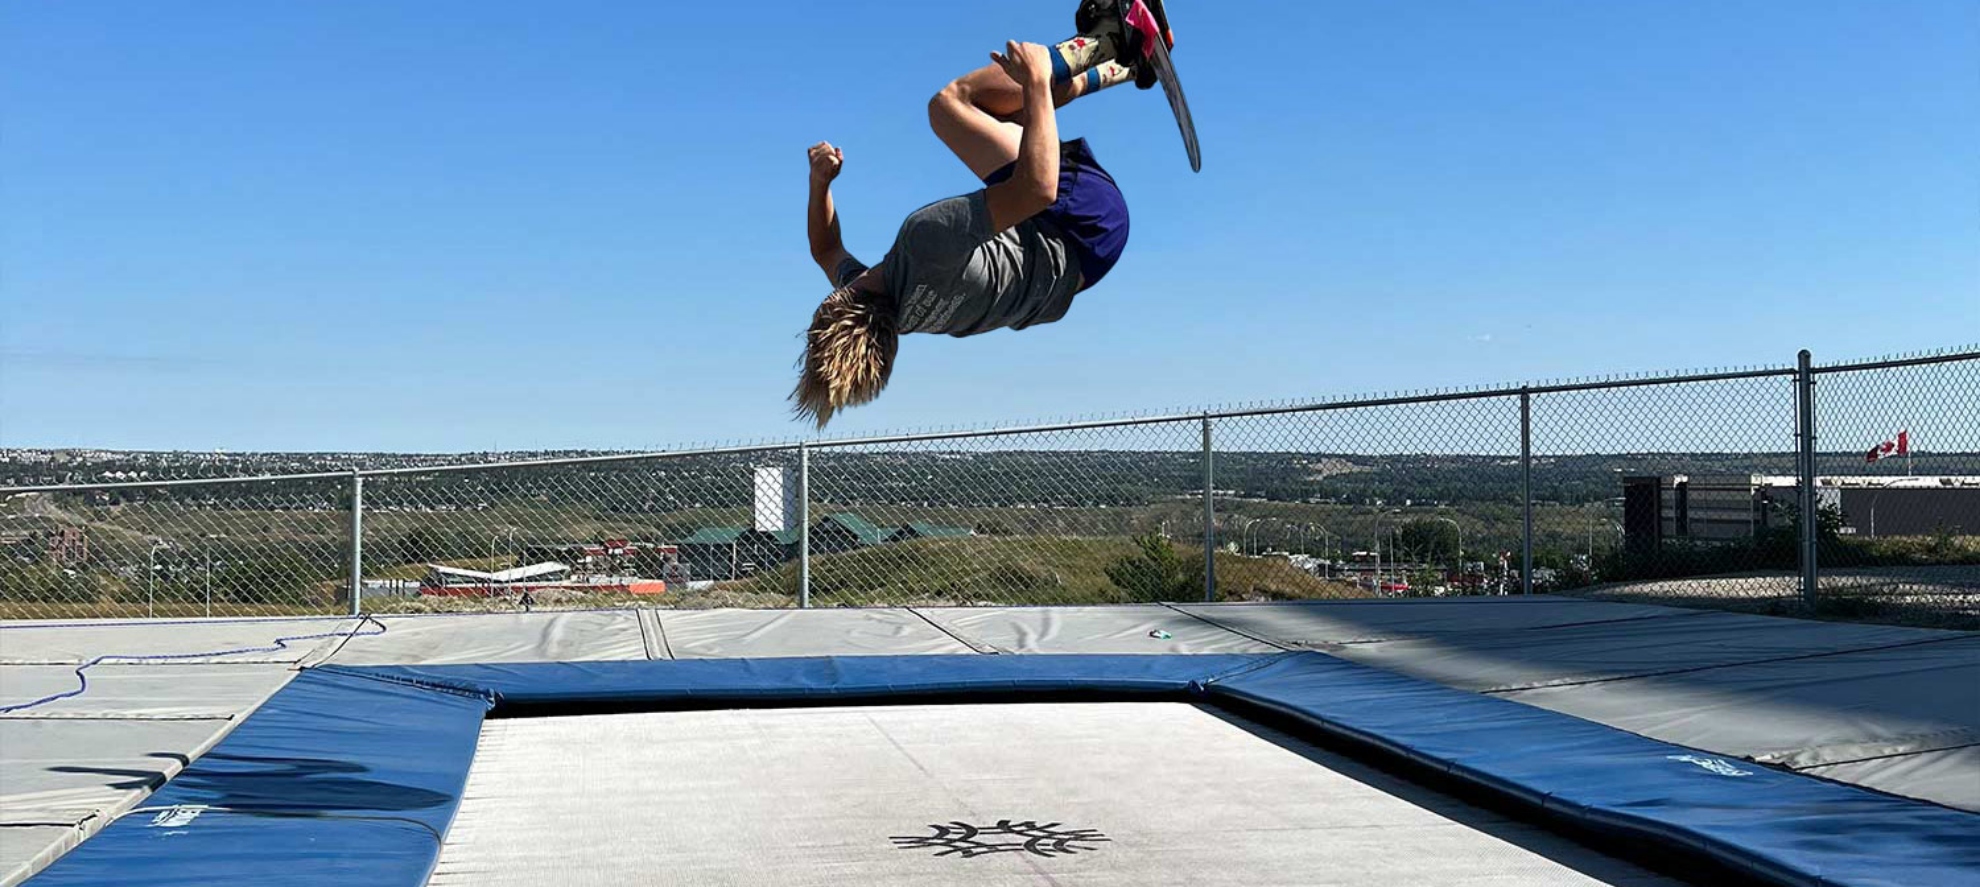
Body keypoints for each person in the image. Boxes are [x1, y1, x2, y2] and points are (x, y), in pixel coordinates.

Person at [792, 2, 1168, 427]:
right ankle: (1112, 41)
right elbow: (1037, 189)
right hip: (1081, 218)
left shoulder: (899, 313)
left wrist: (819, 182)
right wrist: (1037, 79)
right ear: (837, 301)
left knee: (999, 117)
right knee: (953, 105)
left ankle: (1125, 67)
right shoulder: (924, 244)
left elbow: (825, 249)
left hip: (1090, 261)